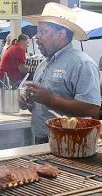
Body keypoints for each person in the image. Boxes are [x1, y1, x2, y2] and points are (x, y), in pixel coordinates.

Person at [20, 3, 101, 144]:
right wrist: (29, 102)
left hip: (69, 142)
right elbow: (42, 104)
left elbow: (92, 108)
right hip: (42, 138)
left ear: (61, 34)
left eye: (42, 31)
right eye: (37, 31)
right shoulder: (43, 64)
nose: (36, 36)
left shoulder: (81, 63)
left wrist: (49, 99)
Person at [0, 34, 30, 104]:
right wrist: (32, 70)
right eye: (27, 43)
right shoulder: (19, 50)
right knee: (7, 106)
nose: (28, 45)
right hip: (3, 81)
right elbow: (22, 68)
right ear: (22, 41)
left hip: (0, 80)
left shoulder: (13, 48)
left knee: (5, 106)